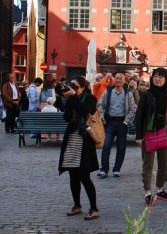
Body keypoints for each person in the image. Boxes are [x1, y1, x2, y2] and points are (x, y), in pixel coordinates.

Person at [58, 76, 101, 219]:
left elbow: (84, 111)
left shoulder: (91, 99)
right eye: (72, 86)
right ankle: (77, 205)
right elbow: (66, 117)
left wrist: (74, 97)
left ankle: (94, 208)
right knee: (73, 174)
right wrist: (65, 98)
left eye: (76, 86)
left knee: (84, 175)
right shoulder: (72, 98)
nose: (73, 88)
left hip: (85, 140)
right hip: (72, 139)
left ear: (83, 87)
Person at [134, 67, 167, 206]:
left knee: (164, 164)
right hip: (148, 133)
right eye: (155, 76)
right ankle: (148, 192)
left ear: (166, 79)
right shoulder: (146, 94)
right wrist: (139, 135)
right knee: (148, 165)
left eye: (161, 77)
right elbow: (139, 116)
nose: (157, 79)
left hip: (163, 133)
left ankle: (160, 189)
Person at [97, 72, 136, 177]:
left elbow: (132, 109)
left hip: (122, 123)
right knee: (106, 145)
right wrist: (102, 117)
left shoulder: (128, 93)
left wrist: (126, 121)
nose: (118, 80)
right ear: (114, 80)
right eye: (117, 78)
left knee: (121, 147)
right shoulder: (108, 92)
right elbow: (100, 104)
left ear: (124, 81)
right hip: (110, 122)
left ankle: (117, 169)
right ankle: (104, 169)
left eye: (120, 78)